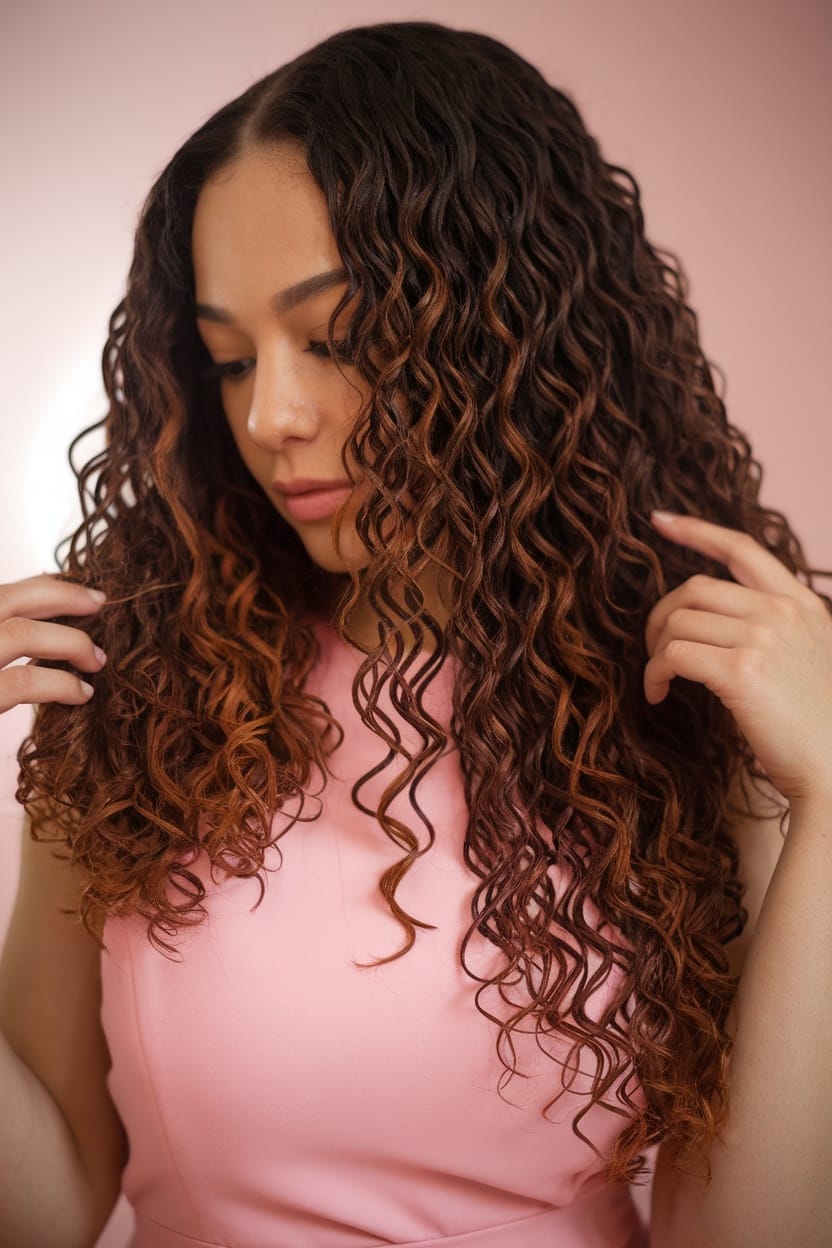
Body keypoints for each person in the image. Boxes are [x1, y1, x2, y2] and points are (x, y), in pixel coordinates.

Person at [2, 19, 831, 1248]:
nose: (273, 415)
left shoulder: (704, 692)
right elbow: (49, 1199)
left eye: (332, 339)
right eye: (228, 361)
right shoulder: (142, 689)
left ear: (510, 335)